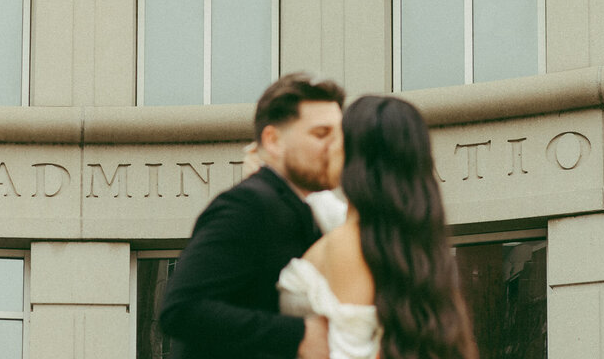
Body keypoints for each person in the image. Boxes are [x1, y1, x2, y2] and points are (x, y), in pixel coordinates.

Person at [159, 72, 345, 359]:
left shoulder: (306, 212)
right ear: (272, 141)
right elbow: (181, 309)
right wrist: (299, 335)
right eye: (321, 134)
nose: (337, 147)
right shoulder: (246, 205)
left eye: (339, 135)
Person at [278, 95, 479, 359]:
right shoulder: (404, 244)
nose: (327, 146)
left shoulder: (347, 244)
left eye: (334, 135)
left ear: (357, 154)